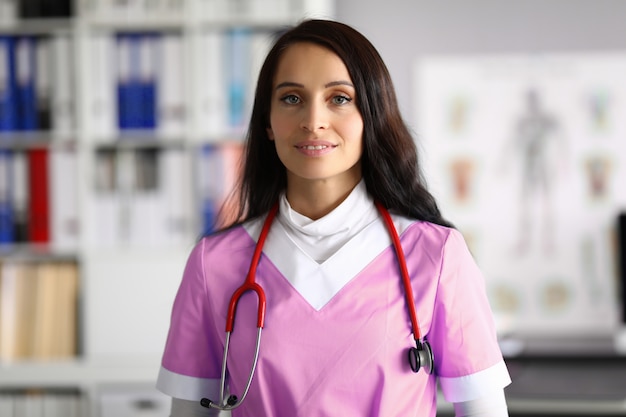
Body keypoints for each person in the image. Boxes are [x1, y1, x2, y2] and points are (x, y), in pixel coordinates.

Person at [156, 19, 511, 417]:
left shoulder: (437, 255)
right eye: (291, 98)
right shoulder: (214, 264)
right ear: (267, 124)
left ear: (371, 115)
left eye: (339, 98)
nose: (313, 120)